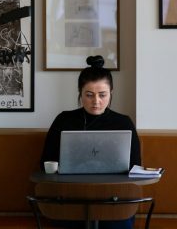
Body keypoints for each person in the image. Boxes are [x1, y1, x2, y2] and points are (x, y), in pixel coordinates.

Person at [39, 55, 141, 229]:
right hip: (70, 199)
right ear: (80, 93)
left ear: (111, 93)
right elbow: (45, 163)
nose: (96, 101)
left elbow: (135, 166)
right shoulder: (64, 120)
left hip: (112, 200)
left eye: (102, 95)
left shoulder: (123, 123)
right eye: (89, 95)